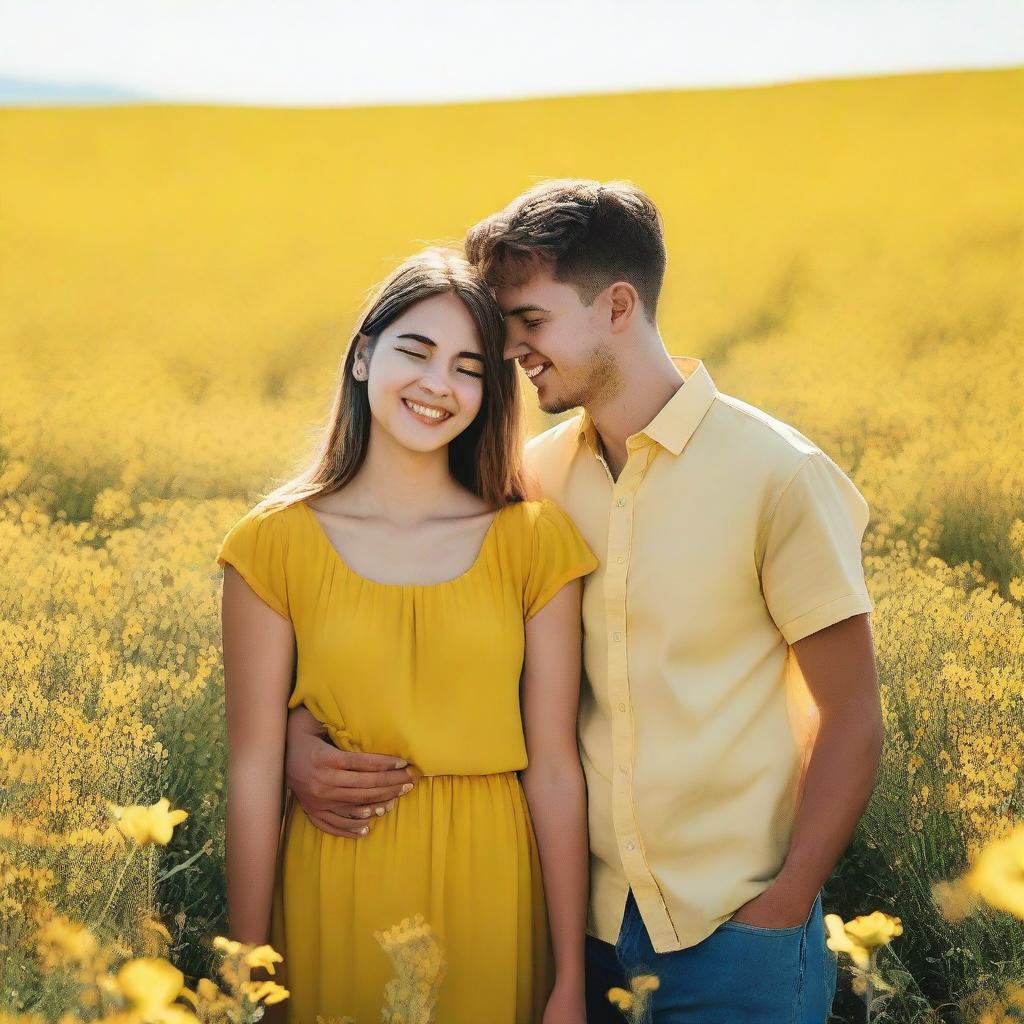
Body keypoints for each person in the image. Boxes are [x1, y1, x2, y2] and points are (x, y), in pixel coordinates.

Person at [285, 180, 884, 1023]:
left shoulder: (779, 475)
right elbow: (413, 638)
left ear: (616, 305)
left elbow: (851, 714)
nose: (509, 352)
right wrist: (294, 740)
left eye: (528, 324)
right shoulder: (531, 479)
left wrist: (784, 903)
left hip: (735, 935)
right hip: (576, 928)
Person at [216, 247, 598, 1024]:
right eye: (415, 352)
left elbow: (556, 768)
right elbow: (254, 771)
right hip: (335, 880)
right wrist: (245, 978)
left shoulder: (534, 538)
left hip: (494, 885)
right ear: (363, 356)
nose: (437, 386)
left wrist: (569, 978)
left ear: (492, 392)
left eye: (468, 367)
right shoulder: (271, 543)